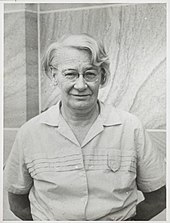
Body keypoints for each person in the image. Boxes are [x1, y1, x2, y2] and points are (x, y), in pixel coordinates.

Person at [4, 34, 166, 221]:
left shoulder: (130, 128)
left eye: (90, 74)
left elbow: (158, 199)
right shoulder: (29, 133)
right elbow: (17, 203)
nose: (80, 85)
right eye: (70, 74)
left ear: (102, 77)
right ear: (53, 75)